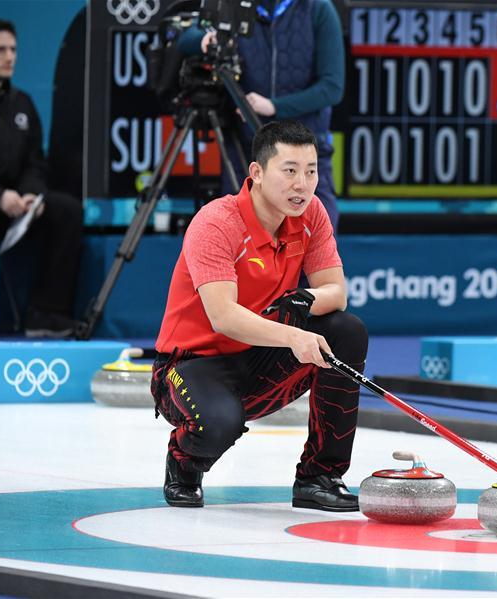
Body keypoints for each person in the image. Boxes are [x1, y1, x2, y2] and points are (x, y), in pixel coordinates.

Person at [151, 120, 368, 511]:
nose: (302, 184)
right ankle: (184, 461)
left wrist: (304, 299)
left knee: (346, 332)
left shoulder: (311, 214)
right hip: (188, 366)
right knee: (218, 423)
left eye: (311, 171)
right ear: (257, 172)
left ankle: (319, 476)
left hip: (258, 357)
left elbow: (336, 294)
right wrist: (293, 335)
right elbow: (223, 316)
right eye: (290, 171)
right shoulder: (217, 222)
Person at [0, 19, 83, 339]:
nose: (9, 57)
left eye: (13, 49)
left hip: (15, 206)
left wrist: (32, 195)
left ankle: (45, 313)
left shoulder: (22, 103)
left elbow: (35, 161)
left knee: (66, 210)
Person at [181, 0, 344, 232]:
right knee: (238, 243)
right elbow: (187, 38)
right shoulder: (235, 5)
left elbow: (332, 87)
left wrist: (274, 106)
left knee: (315, 244)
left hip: (304, 153)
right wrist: (205, 40)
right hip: (247, 151)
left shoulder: (317, 8)